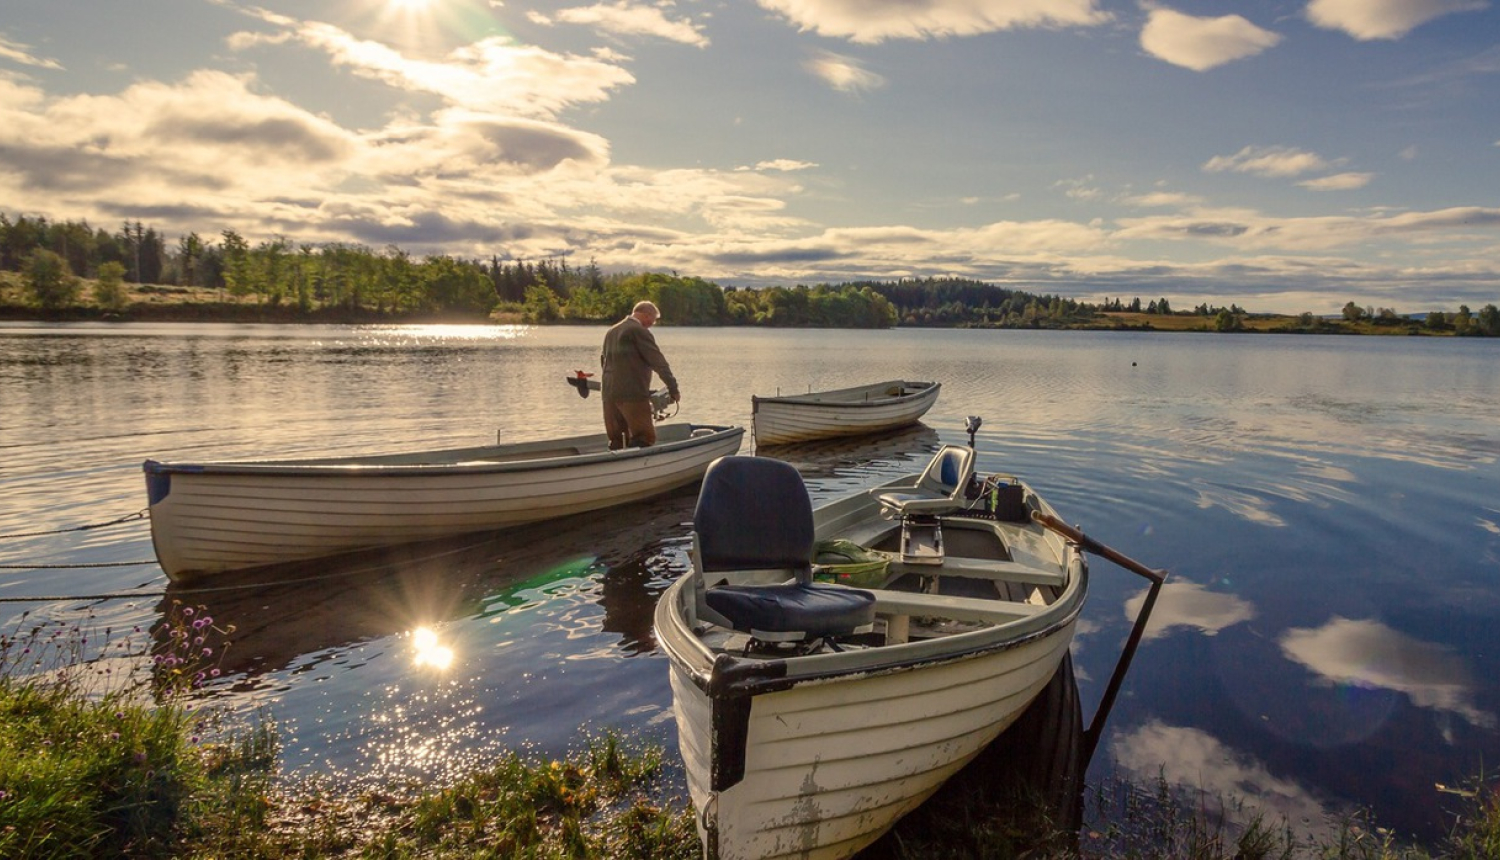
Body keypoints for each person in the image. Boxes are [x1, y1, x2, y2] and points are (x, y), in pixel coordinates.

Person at [600, 300, 680, 449]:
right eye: (653, 320)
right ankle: (642, 469)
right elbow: (658, 362)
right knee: (644, 437)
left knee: (618, 439)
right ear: (646, 315)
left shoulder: (611, 331)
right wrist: (673, 388)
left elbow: (603, 362)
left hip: (608, 394)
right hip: (632, 394)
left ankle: (617, 468)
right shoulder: (638, 331)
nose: (652, 324)